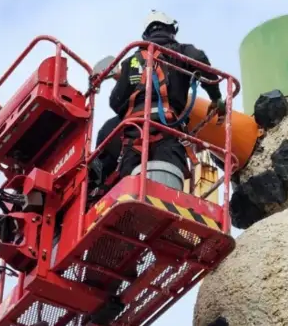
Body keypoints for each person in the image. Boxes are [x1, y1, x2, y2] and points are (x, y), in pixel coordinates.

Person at [88, 10, 225, 195]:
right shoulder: (182, 52)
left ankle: (95, 184)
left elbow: (115, 102)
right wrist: (216, 98)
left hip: (133, 136)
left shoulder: (131, 62)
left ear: (146, 35)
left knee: (128, 195)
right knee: (167, 194)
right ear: (171, 30)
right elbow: (200, 60)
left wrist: (127, 82)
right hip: (167, 132)